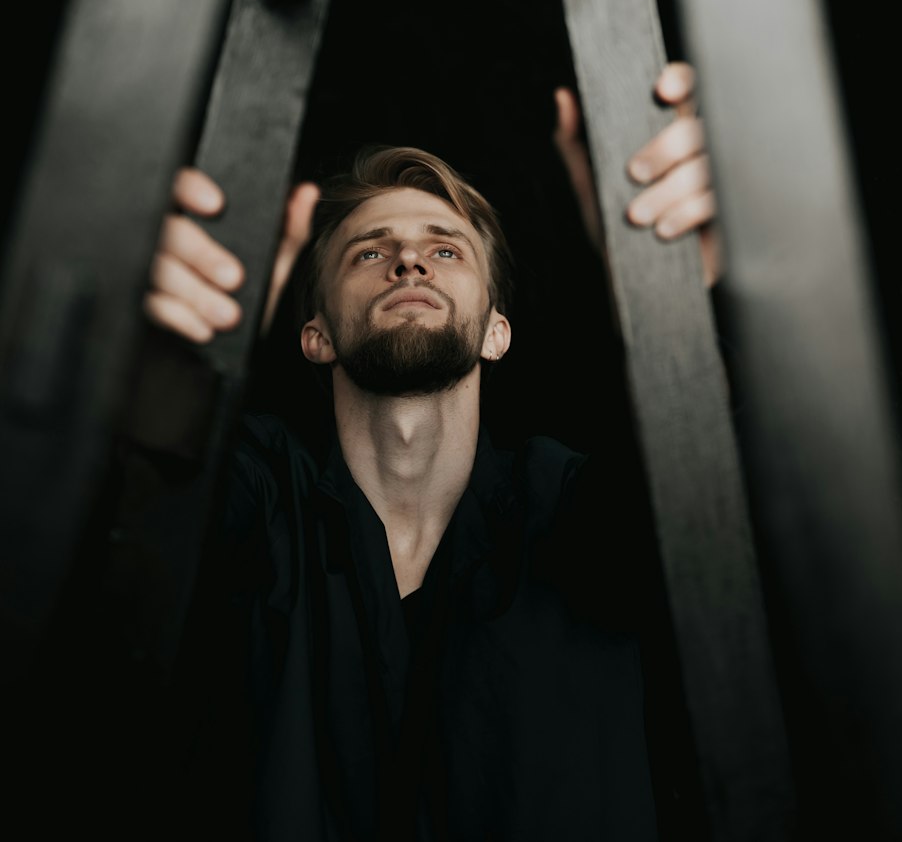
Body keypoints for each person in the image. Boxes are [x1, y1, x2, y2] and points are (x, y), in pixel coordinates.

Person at [145, 63, 720, 842]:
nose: (409, 261)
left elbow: (724, 489)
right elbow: (129, 528)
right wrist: (157, 363)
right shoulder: (256, 492)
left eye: (445, 251)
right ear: (315, 334)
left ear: (496, 330)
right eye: (369, 253)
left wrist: (696, 296)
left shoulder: (579, 508)